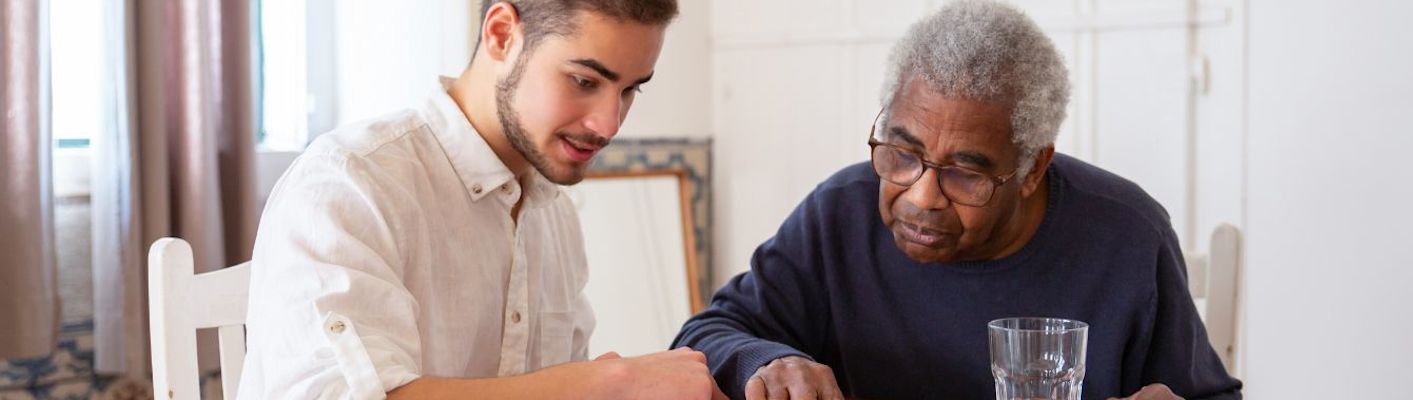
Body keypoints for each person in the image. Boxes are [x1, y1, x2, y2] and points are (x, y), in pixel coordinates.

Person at [672, 1, 1243, 399]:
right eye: (901, 152)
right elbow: (702, 336)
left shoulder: (1126, 234)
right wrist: (769, 360)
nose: (920, 196)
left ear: (1031, 167)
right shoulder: (838, 214)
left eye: (965, 174)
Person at [238, 1, 724, 399]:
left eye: (629, 91)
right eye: (584, 81)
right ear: (501, 34)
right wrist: (608, 382)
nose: (609, 124)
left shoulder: (553, 214)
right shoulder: (352, 183)